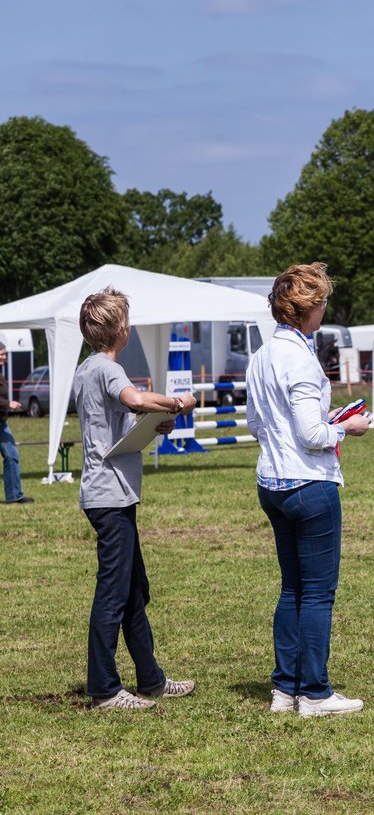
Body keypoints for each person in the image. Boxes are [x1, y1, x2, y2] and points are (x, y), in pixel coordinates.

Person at [246, 263, 370, 717]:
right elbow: (312, 436)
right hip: (310, 484)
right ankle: (315, 692)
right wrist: (347, 427)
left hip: (272, 482)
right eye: (321, 303)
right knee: (317, 593)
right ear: (307, 309)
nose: (324, 309)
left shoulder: (260, 357)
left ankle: (284, 688)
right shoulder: (300, 358)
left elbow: (256, 424)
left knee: (292, 589)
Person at [73, 288, 197, 709]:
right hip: (109, 497)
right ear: (120, 328)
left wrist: (151, 424)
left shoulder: (88, 369)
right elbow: (135, 398)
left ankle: (152, 680)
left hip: (110, 495)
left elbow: (117, 419)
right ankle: (104, 689)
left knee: (132, 591)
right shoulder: (109, 370)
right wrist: (177, 404)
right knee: (113, 593)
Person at [1, 342, 33, 505]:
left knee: (12, 455)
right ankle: (14, 495)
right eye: (2, 354)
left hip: (1, 423)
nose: (5, 357)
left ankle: (14, 495)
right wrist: (8, 404)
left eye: (5, 354)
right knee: (11, 455)